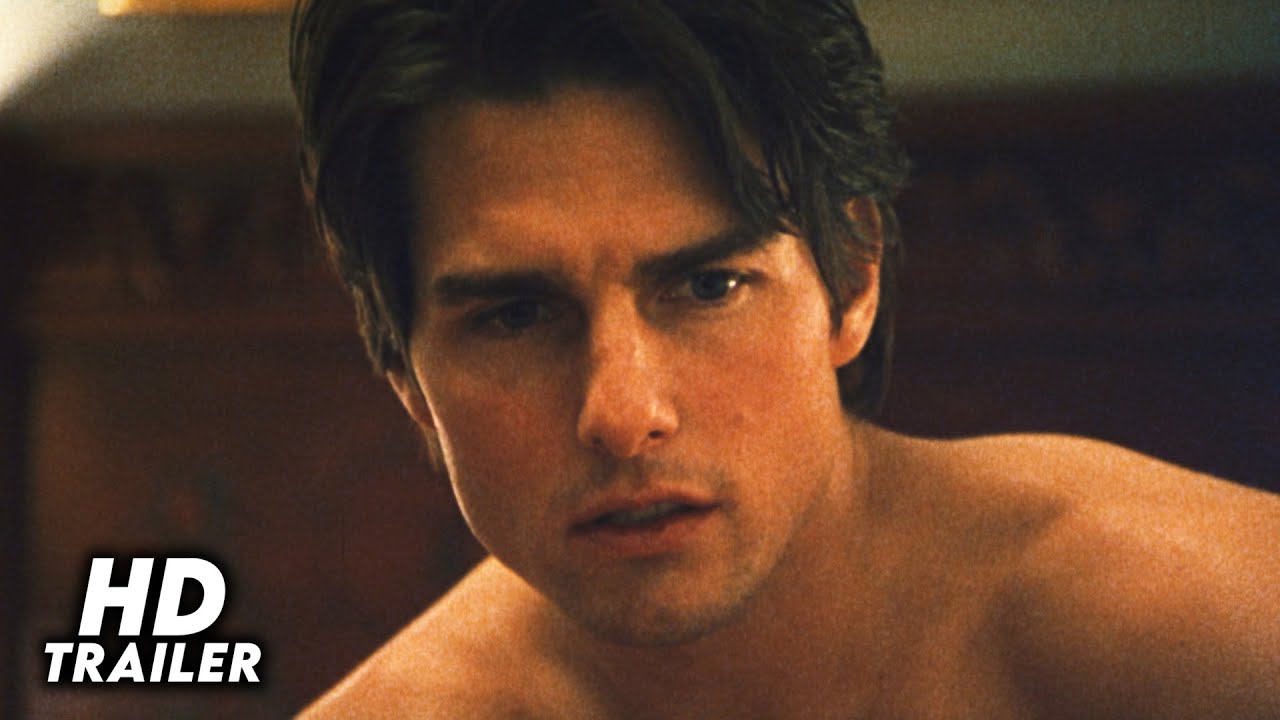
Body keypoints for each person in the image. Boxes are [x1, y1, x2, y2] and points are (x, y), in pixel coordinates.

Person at [288, 1, 1280, 717]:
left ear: (852, 279)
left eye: (707, 286)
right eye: (514, 316)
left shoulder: (1194, 625)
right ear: (404, 372)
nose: (622, 414)